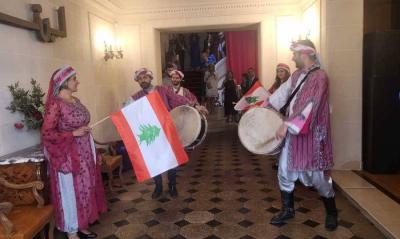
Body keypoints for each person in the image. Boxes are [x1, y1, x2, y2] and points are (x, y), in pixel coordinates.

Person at [267, 39, 337, 231]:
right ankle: (288, 210)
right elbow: (282, 94)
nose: (292, 58)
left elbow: (311, 105)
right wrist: (265, 107)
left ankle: (331, 211)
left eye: (295, 54)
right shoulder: (297, 74)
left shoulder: (320, 77)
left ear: (305, 53)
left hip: (312, 137)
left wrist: (288, 124)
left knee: (319, 179)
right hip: (293, 134)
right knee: (284, 171)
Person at [41, 66, 107, 239]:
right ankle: (72, 230)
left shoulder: (76, 100)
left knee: (86, 186)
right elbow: (47, 133)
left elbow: (80, 124)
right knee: (71, 189)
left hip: (86, 150)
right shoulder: (55, 104)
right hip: (68, 155)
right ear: (64, 82)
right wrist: (73, 133)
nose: (77, 81)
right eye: (74, 79)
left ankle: (82, 224)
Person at [128, 67, 206, 199]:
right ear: (138, 81)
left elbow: (178, 99)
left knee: (171, 160)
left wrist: (196, 106)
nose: (143, 80)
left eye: (145, 77)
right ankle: (158, 186)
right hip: (151, 134)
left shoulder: (162, 90)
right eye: (140, 79)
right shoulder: (137, 97)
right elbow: (128, 110)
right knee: (154, 161)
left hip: (166, 130)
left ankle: (172, 186)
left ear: (150, 78)